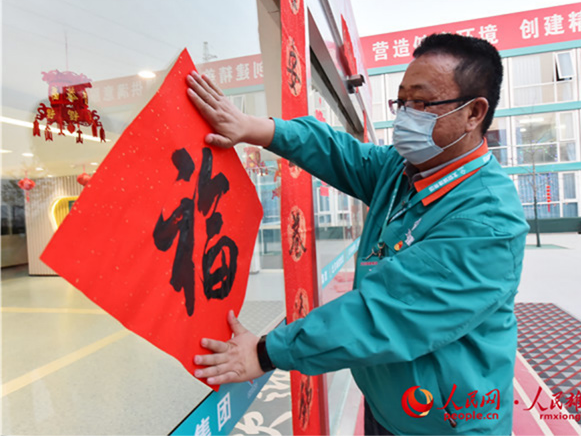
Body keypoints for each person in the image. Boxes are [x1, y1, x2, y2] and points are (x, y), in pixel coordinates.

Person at [186, 33, 529, 436]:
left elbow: (381, 315)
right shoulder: (403, 170)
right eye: (402, 102)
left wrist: (265, 352)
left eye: (421, 103)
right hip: (390, 405)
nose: (406, 117)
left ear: (474, 113)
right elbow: (337, 151)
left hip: (444, 424)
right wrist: (254, 128)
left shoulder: (487, 220)